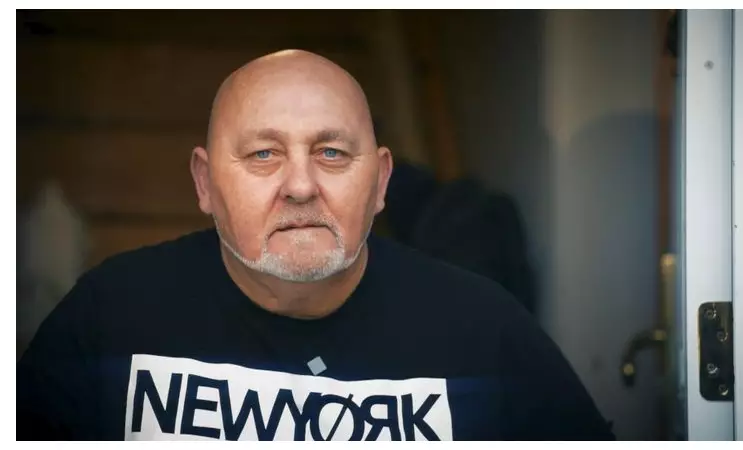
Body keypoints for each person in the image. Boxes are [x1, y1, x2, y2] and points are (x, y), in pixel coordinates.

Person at [17, 50, 614, 441]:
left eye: (331, 153)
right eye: (263, 154)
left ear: (381, 182)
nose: (300, 186)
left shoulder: (483, 329)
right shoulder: (111, 316)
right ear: (204, 183)